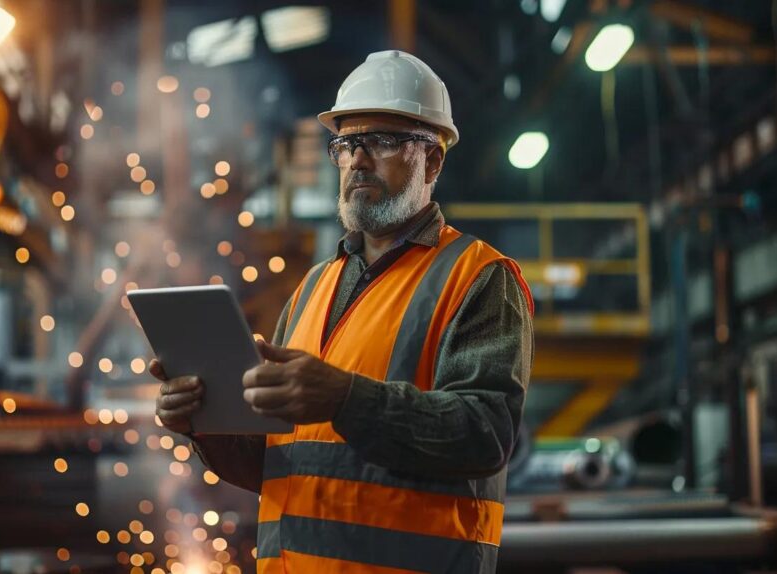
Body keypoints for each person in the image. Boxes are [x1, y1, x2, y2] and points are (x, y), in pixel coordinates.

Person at [151, 50, 534, 574]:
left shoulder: (477, 278)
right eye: (346, 144)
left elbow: (485, 435)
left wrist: (345, 398)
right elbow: (279, 463)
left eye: (381, 141)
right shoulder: (312, 288)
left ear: (434, 160)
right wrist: (205, 422)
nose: (357, 160)